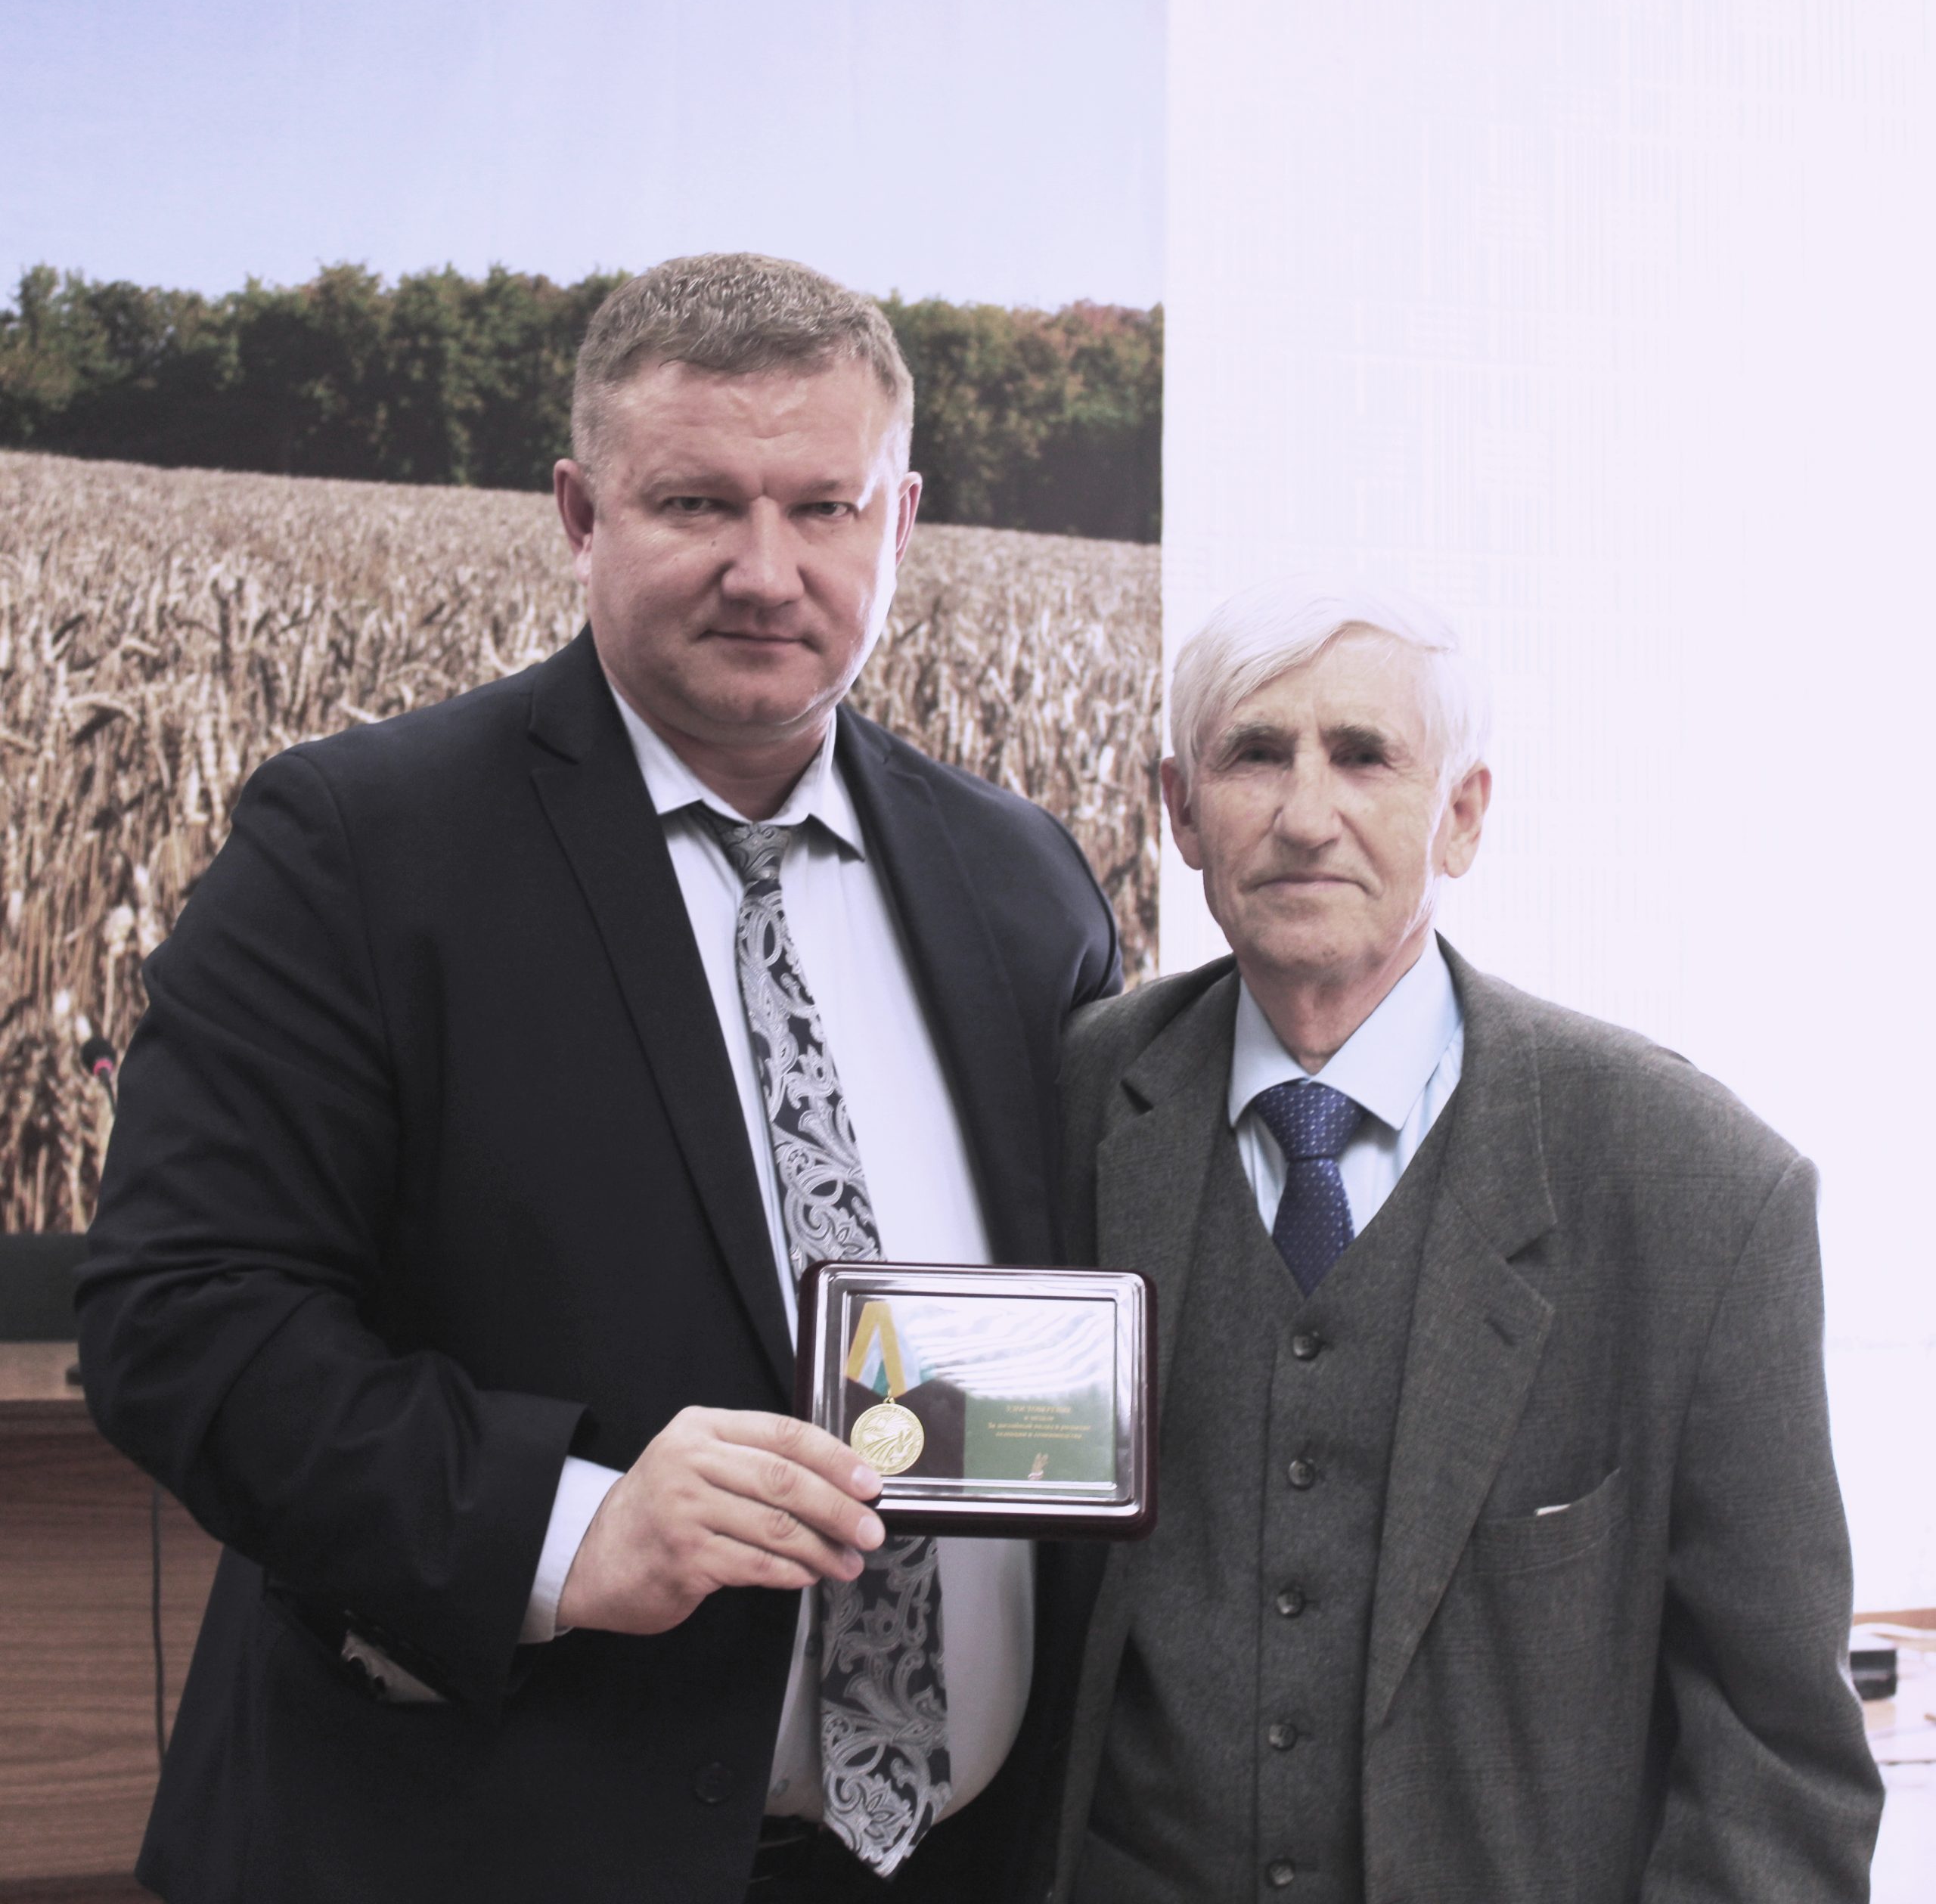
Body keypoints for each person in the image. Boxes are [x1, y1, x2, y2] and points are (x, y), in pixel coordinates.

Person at [76, 253, 1121, 1904]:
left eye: (824, 508)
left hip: (949, 1860)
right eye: (696, 502)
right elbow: (181, 1317)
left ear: (902, 521)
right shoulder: (357, 847)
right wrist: (567, 1529)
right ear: (579, 512)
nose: (765, 571)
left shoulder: (1021, 879)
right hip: (474, 1855)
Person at [1045, 577, 1882, 1902]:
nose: (1306, 814)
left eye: (1364, 756)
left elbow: (1779, 1767)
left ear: (1465, 816)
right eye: (1255, 754)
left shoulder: (1701, 1188)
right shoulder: (1073, 1103)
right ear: (1180, 812)